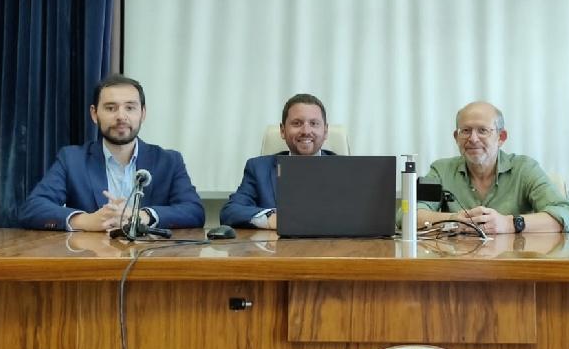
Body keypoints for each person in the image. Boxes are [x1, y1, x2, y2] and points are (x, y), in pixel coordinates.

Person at [18, 74, 205, 231]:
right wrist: (86, 221)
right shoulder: (72, 159)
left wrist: (141, 215)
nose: (121, 116)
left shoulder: (169, 161)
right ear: (94, 114)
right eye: (110, 108)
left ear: (143, 113)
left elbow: (194, 211)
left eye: (130, 107)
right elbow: (33, 208)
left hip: (150, 264)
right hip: (92, 264)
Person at [416, 101, 569, 234]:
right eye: (465, 131)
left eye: (483, 130)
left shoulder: (525, 169)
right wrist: (453, 221)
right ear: (456, 137)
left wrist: (509, 224)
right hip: (456, 267)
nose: (473, 138)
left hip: (512, 265)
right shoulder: (440, 170)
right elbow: (409, 215)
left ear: (501, 137)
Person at [220, 94, 335, 229]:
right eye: (297, 123)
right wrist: (270, 218)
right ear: (282, 130)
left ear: (325, 131)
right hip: (278, 248)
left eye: (314, 123)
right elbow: (230, 211)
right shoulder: (258, 169)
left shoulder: (346, 170)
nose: (306, 131)